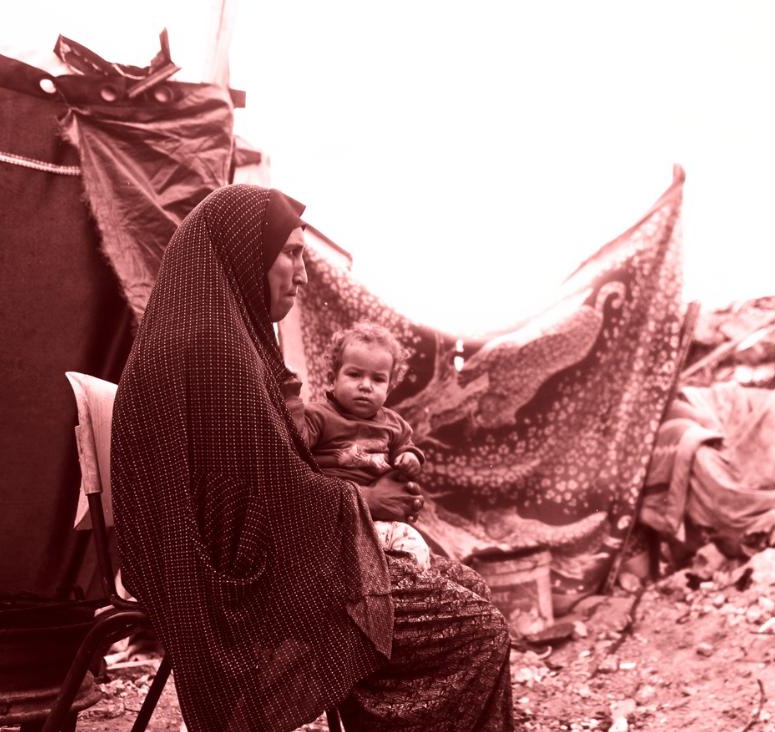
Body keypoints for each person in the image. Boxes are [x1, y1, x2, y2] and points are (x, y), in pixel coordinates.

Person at [110, 184, 513, 731]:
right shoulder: (212, 353)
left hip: (260, 559)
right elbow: (266, 501)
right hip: (243, 585)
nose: (301, 273)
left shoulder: (213, 336)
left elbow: (262, 485)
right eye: (292, 253)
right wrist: (365, 500)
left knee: (473, 591)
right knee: (478, 626)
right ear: (247, 254)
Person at [301, 321, 432, 570]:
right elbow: (297, 444)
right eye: (354, 374)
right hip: (339, 518)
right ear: (333, 377)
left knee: (415, 548)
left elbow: (407, 446)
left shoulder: (394, 424)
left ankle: (401, 582)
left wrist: (409, 458)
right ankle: (389, 585)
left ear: (390, 387)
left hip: (383, 521)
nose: (365, 385)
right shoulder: (319, 415)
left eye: (378, 379)